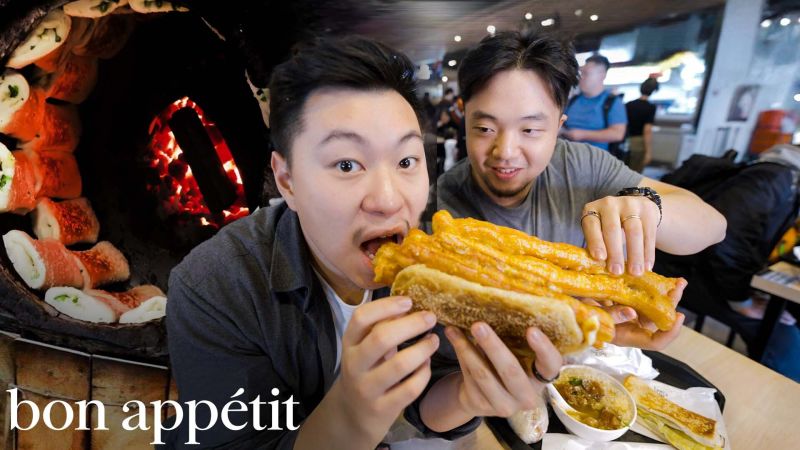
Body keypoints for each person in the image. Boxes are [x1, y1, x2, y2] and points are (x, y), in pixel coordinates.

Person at [164, 35, 563, 449]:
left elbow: (429, 397)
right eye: (346, 164)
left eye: (406, 161)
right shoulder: (214, 285)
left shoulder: (431, 269)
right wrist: (351, 418)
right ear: (287, 180)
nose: (388, 200)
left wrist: (467, 396)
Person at [434, 31, 728, 350]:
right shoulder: (438, 207)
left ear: (558, 127)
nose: (505, 151)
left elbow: (714, 226)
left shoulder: (581, 165)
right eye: (484, 129)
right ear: (464, 118)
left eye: (530, 129)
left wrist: (648, 208)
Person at [561, 54, 627, 153]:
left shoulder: (612, 102)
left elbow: (618, 134)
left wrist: (583, 134)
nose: (580, 77)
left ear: (602, 75)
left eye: (586, 74)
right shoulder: (573, 100)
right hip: (565, 153)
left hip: (595, 158)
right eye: (581, 73)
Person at [626, 78, 659, 172]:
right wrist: (649, 152)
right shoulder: (650, 107)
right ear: (653, 91)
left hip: (625, 142)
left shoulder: (628, 104)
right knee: (634, 174)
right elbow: (647, 130)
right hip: (638, 143)